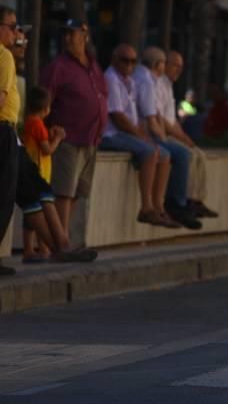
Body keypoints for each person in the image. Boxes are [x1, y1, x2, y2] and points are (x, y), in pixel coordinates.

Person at [40, 19, 109, 243]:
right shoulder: (58, 67)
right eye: (65, 34)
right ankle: (61, 243)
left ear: (84, 36)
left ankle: (61, 239)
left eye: (73, 34)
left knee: (78, 191)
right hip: (67, 139)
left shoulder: (92, 65)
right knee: (63, 191)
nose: (68, 38)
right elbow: (43, 102)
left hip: (90, 139)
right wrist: (46, 130)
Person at [99, 44, 180, 228]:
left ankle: (159, 208)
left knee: (164, 155)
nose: (129, 65)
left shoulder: (130, 81)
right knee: (150, 152)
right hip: (111, 133)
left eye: (133, 61)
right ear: (114, 60)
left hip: (125, 132)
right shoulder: (111, 78)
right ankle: (146, 208)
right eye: (124, 60)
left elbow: (138, 115)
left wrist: (144, 134)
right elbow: (118, 117)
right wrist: (141, 136)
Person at [133, 47, 201, 229]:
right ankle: (168, 205)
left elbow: (167, 119)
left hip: (143, 132)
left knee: (188, 153)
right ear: (159, 64)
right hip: (141, 133)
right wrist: (164, 137)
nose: (178, 70)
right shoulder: (148, 81)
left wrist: (183, 137)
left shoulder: (153, 81)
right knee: (174, 153)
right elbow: (153, 119)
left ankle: (184, 201)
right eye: (171, 64)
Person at [158, 50, 218, 218]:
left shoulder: (169, 87)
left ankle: (196, 200)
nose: (178, 70)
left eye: (181, 67)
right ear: (164, 65)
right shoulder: (158, 85)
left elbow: (173, 120)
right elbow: (162, 121)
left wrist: (186, 137)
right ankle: (181, 201)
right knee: (188, 154)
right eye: (175, 65)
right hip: (161, 134)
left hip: (170, 132)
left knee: (199, 154)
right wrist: (182, 139)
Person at [22, 86, 66, 260]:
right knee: (37, 214)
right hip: (38, 174)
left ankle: (36, 249)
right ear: (46, 109)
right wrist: (58, 138)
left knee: (32, 214)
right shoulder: (37, 124)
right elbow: (47, 150)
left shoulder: (30, 122)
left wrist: (50, 133)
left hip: (35, 172)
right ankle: (36, 249)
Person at [0, 5, 21, 276]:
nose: (17, 32)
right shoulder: (4, 56)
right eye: (12, 26)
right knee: (4, 196)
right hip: (3, 131)